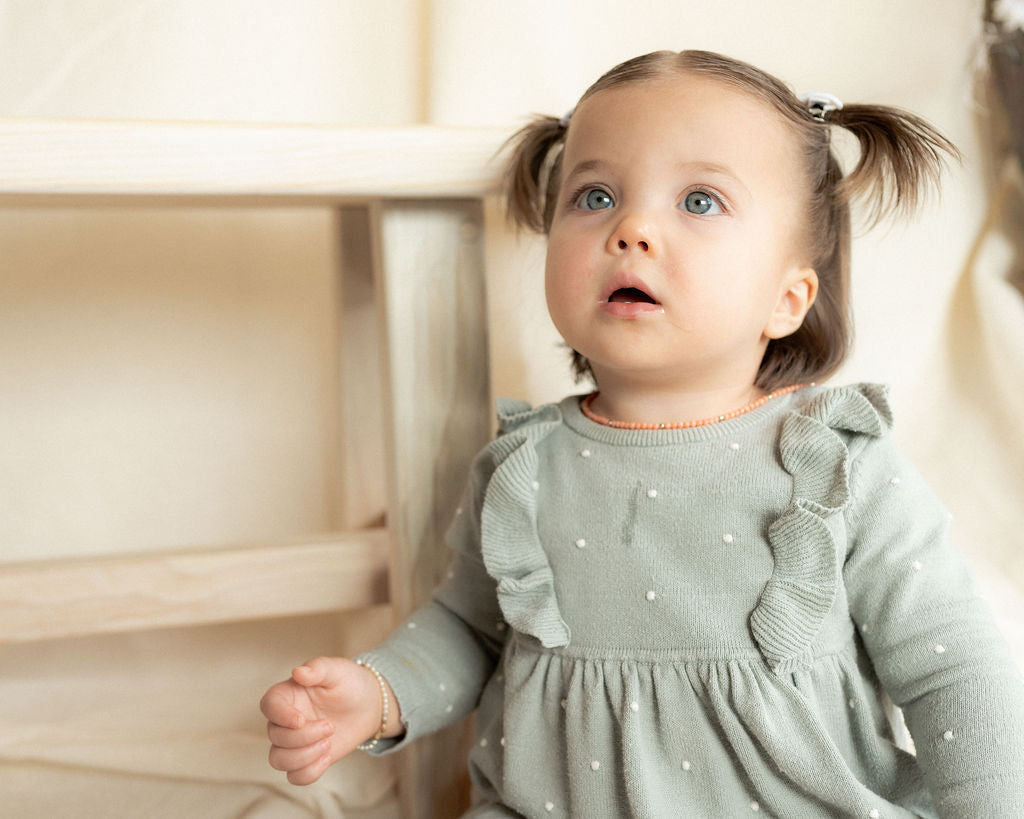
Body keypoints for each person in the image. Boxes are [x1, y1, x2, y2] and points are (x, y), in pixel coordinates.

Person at [260, 50, 1024, 817]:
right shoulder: (524, 465)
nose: (631, 228)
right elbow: (468, 629)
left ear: (787, 298)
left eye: (699, 201)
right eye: (594, 195)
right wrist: (378, 692)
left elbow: (951, 665)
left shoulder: (834, 465)